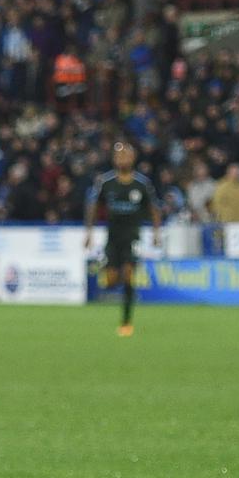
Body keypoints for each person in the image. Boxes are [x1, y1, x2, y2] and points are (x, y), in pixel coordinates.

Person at [84, 141, 161, 337]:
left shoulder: (141, 184)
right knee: (109, 281)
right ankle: (110, 270)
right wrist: (89, 233)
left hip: (132, 237)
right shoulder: (106, 182)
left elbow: (154, 209)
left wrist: (156, 233)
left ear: (133, 158)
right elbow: (93, 206)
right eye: (118, 156)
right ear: (114, 159)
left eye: (125, 155)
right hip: (113, 237)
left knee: (128, 275)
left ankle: (126, 322)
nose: (122, 159)